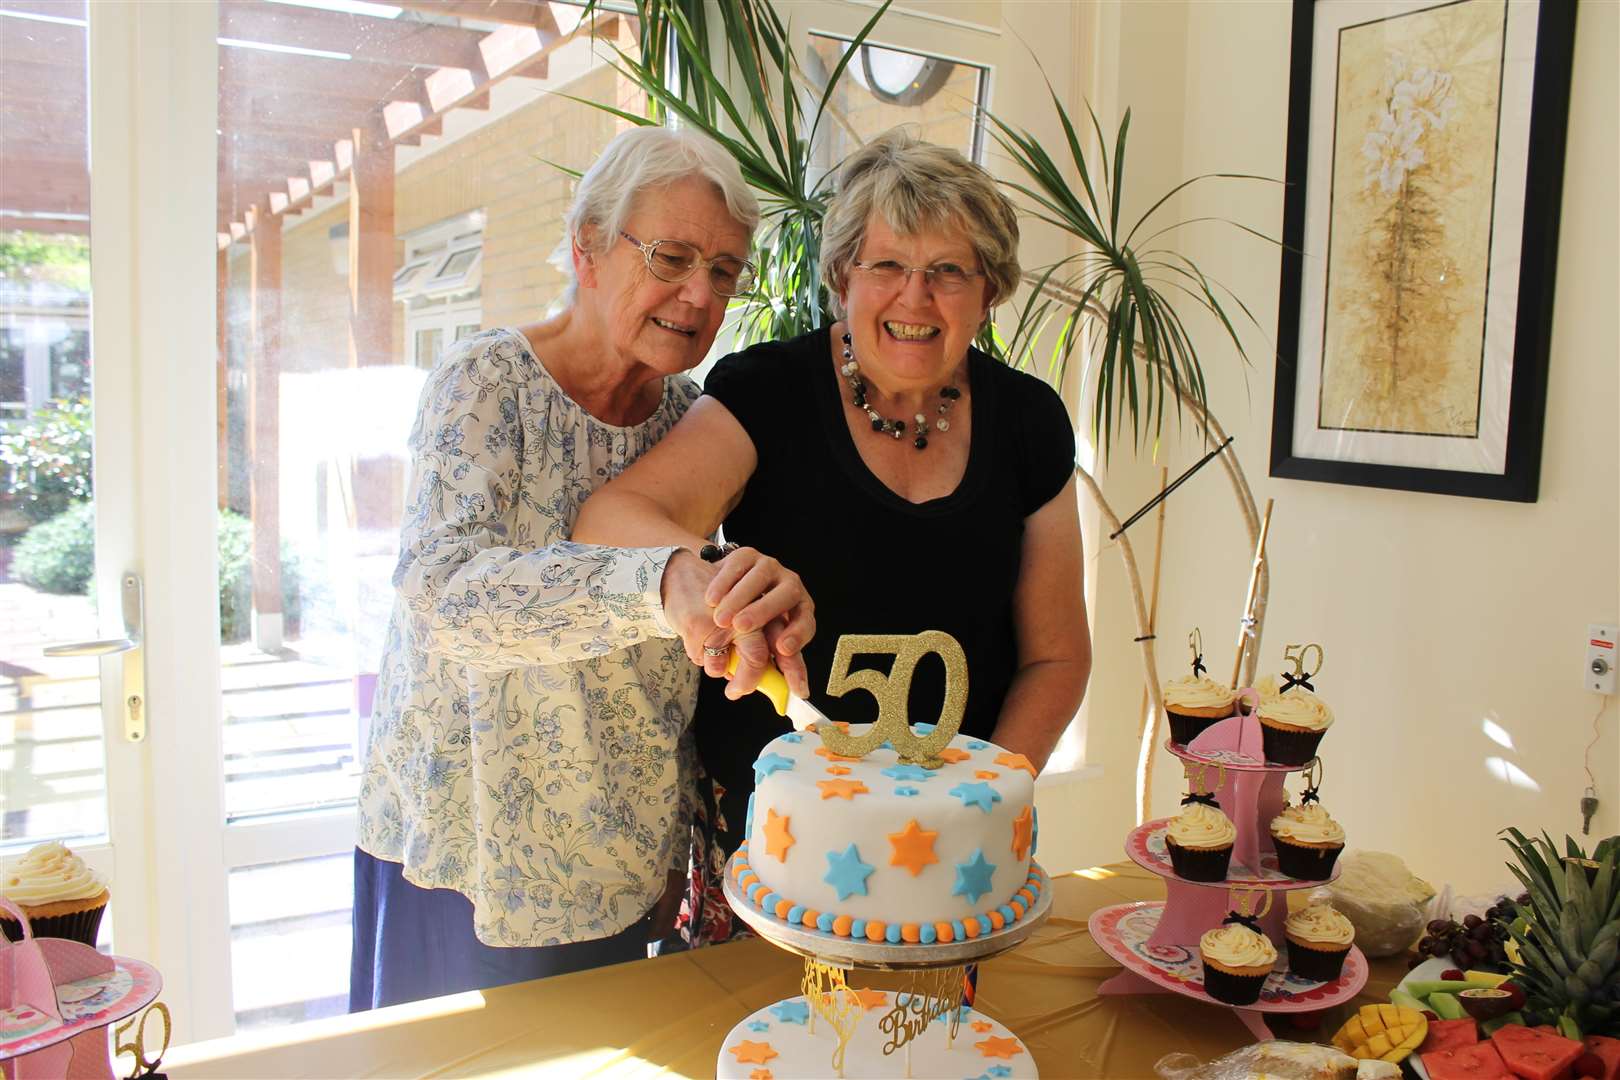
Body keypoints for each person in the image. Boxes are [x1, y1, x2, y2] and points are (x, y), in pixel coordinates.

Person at [573, 128, 1092, 946]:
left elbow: (1057, 655)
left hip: (955, 868)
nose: (914, 300)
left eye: (948, 272)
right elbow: (608, 521)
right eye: (886, 266)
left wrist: (982, 809)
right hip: (778, 852)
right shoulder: (768, 391)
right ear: (841, 277)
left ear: (989, 291)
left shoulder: (1029, 420)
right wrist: (714, 573)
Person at [350, 126, 814, 1009]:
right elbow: (443, 597)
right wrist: (659, 583)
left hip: (621, 859)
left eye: (724, 271)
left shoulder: (690, 418)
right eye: (672, 256)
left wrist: (737, 605)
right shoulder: (487, 382)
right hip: (471, 858)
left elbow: (677, 623)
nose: (698, 293)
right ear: (586, 249)